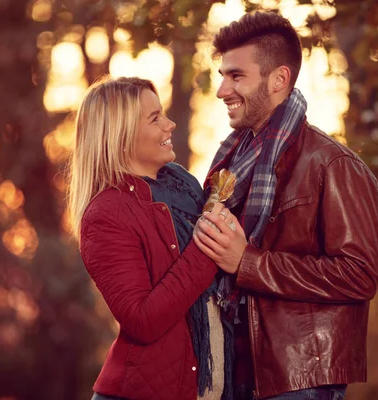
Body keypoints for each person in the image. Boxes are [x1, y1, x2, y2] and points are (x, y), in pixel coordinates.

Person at [193, 12, 378, 400]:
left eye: (236, 76)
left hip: (300, 378)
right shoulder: (231, 162)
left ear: (278, 79)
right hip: (231, 368)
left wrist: (247, 262)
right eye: (222, 76)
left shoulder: (332, 165)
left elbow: (359, 275)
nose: (222, 90)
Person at [68, 76, 235, 400]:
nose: (169, 125)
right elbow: (142, 320)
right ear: (122, 135)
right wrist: (209, 246)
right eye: (155, 118)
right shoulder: (106, 214)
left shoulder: (183, 185)